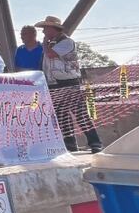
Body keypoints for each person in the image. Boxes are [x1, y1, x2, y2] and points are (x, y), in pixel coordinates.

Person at [37, 16, 102, 153]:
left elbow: (51, 54)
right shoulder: (52, 43)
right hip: (53, 83)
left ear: (53, 29)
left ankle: (95, 142)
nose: (43, 32)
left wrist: (44, 43)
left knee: (79, 113)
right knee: (61, 115)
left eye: (45, 28)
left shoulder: (66, 42)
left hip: (68, 81)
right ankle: (70, 145)